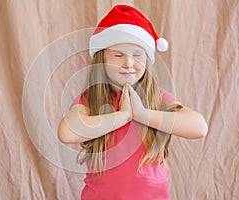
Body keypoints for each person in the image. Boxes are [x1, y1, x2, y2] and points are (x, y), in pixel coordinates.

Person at [58, 4, 208, 200]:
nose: (128, 63)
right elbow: (67, 132)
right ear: (102, 59)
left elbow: (199, 127)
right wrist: (123, 116)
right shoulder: (90, 99)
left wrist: (141, 114)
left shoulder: (157, 98)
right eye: (118, 55)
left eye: (137, 55)